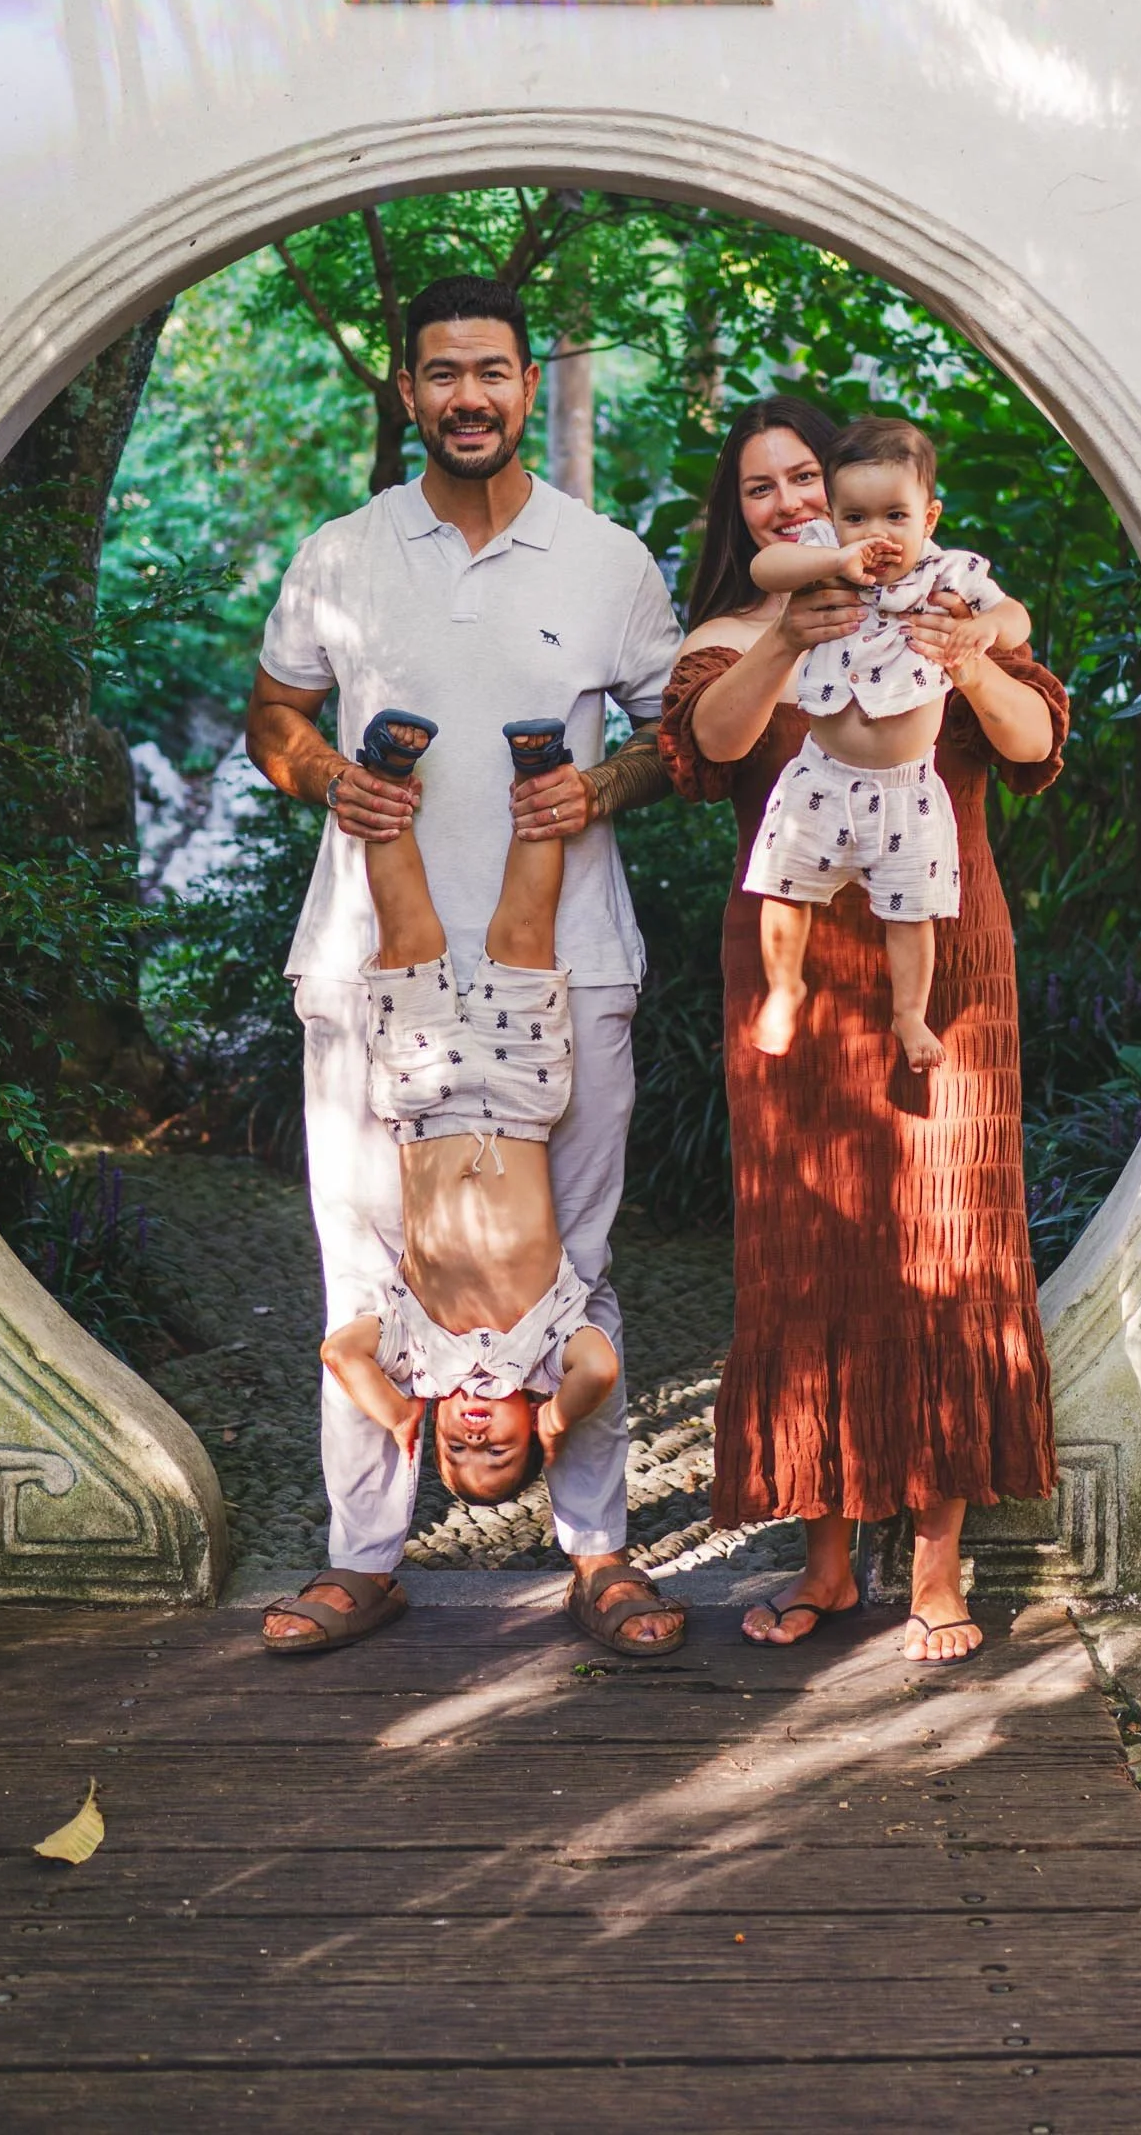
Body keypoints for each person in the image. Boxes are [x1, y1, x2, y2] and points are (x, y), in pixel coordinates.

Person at [246, 273, 686, 1660]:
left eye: (492, 371)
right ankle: (364, 1558)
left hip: (578, 967)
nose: (471, 397)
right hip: (360, 963)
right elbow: (277, 714)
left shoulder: (606, 558)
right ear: (408, 391)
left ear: (523, 382)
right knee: (359, 1273)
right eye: (442, 374)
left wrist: (603, 785)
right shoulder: (341, 552)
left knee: (586, 1267)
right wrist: (325, 778)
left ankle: (599, 1554)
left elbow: (687, 735)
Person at [657, 395, 1066, 1662]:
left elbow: (1033, 738)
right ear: (751, 518)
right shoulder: (731, 632)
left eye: (803, 480)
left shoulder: (945, 602)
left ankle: (934, 1566)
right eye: (764, 489)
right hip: (787, 977)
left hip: (942, 968)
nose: (787, 502)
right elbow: (711, 749)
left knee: (949, 1244)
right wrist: (787, 631)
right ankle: (825, 1564)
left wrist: (973, 655)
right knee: (806, 1256)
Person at [317, 713, 620, 1511]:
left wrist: (399, 1418)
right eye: (501, 1445)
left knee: (406, 935)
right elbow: (604, 1371)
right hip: (520, 1101)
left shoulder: (415, 1357)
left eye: (458, 1445)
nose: (475, 1428)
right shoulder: (552, 1354)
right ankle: (540, 774)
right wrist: (558, 1417)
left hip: (423, 1104)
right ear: (529, 1424)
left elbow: (341, 1351)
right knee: (525, 933)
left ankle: (383, 776)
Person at [742, 415, 1030, 1066]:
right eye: (857, 518)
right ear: (834, 516)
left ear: (929, 518)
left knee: (911, 912)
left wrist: (987, 632)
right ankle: (785, 988)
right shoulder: (824, 557)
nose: (876, 535)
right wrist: (831, 558)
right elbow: (767, 566)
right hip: (820, 777)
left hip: (906, 791)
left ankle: (909, 1015)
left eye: (895, 517)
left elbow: (1015, 616)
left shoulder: (948, 573)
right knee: (783, 887)